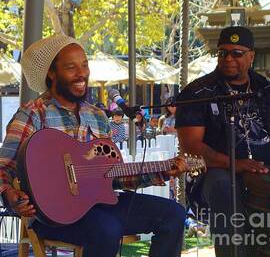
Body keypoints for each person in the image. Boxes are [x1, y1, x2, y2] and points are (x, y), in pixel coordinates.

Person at [0, 34, 186, 257]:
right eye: (71, 67)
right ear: (51, 73)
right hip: (54, 215)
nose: (82, 74)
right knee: (107, 229)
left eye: (85, 65)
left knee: (174, 214)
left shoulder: (97, 116)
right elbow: (4, 168)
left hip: (100, 206)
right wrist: (8, 194)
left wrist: (162, 171)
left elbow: (113, 176)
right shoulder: (33, 114)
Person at [175, 26, 270, 257]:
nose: (228, 58)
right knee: (224, 188)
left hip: (260, 166)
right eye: (222, 52)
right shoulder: (198, 92)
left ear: (251, 56)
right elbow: (191, 148)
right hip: (212, 170)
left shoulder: (264, 89)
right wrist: (237, 164)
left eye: (236, 53)